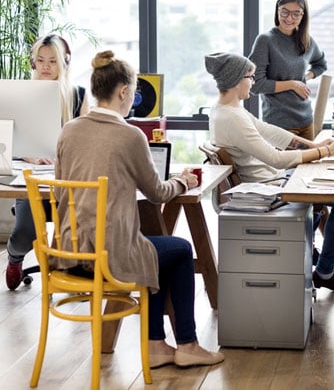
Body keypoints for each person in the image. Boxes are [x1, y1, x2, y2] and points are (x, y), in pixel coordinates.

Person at [53, 50, 225, 368]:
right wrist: (183, 181)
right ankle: (187, 343)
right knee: (180, 249)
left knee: (151, 247)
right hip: (108, 257)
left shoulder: (69, 130)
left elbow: (62, 186)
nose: (133, 98)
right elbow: (158, 193)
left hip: (70, 252)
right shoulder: (130, 135)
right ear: (122, 92)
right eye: (133, 92)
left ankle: (157, 345)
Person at [205, 51, 334, 291]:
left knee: (323, 190)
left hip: (272, 180)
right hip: (268, 188)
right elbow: (277, 159)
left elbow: (270, 131)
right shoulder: (232, 117)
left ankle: (309, 253)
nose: (253, 82)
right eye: (250, 77)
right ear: (237, 80)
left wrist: (314, 146)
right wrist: (326, 153)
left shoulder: (226, 110)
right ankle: (325, 271)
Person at [5, 33, 90, 290]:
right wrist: (26, 152)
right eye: (40, 60)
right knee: (24, 235)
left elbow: (87, 139)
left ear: (64, 63)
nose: (45, 66)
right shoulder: (21, 94)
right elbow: (7, 139)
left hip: (67, 179)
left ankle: (77, 273)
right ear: (33, 63)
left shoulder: (78, 95)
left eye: (52, 61)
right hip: (31, 176)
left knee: (82, 228)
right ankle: (14, 257)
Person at [249, 0, 327, 141]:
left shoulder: (306, 41)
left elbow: (320, 64)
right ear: (278, 10)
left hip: (306, 121)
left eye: (296, 13)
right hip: (279, 124)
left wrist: (305, 77)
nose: (289, 18)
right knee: (286, 165)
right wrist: (292, 84)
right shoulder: (266, 41)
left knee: (311, 165)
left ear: (302, 15)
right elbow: (256, 85)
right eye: (285, 12)